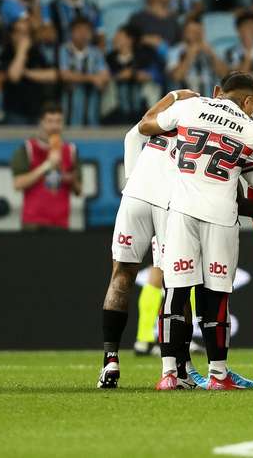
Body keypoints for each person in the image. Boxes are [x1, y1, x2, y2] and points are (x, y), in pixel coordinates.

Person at [138, 73, 253, 390]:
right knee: (216, 296)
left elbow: (147, 126)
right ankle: (218, 374)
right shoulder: (252, 131)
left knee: (175, 290)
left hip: (181, 211)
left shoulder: (191, 107)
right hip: (220, 218)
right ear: (249, 101)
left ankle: (169, 374)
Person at [98, 88, 197, 389]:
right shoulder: (199, 128)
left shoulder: (158, 125)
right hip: (168, 202)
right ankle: (179, 367)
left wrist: (133, 182)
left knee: (121, 275)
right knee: (177, 282)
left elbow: (132, 135)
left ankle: (110, 360)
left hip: (135, 196)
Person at [10, 103, 82, 230]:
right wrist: (46, 166)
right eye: (49, 121)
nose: (54, 126)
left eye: (58, 121)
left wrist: (64, 174)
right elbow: (18, 184)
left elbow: (78, 190)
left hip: (60, 223)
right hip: (33, 222)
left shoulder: (71, 150)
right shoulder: (27, 149)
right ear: (41, 123)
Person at [1, 18, 59, 125]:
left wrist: (25, 72)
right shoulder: (6, 53)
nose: (23, 37)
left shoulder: (35, 52)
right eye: (19, 32)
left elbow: (53, 75)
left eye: (26, 33)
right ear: (12, 35)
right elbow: (14, 76)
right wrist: (22, 50)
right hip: (15, 111)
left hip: (37, 109)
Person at [129, 0, 182, 87]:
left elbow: (179, 47)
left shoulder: (174, 21)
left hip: (169, 72)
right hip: (145, 71)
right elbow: (127, 42)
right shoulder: (139, 18)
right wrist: (146, 40)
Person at [58, 17, 110, 126]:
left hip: (92, 107)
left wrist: (77, 77)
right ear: (71, 33)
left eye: (87, 31)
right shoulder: (64, 50)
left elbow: (104, 76)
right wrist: (91, 78)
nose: (83, 34)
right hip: (69, 106)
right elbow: (65, 75)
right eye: (79, 30)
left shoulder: (96, 52)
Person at [167, 17, 228, 97]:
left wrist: (212, 55)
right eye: (192, 32)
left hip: (210, 101)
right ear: (184, 33)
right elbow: (176, 77)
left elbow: (225, 75)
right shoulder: (175, 51)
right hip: (185, 102)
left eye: (199, 32)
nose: (196, 35)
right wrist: (190, 55)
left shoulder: (211, 50)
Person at [106, 25, 153, 124]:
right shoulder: (110, 57)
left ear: (130, 40)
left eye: (120, 36)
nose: (115, 38)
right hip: (116, 97)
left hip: (139, 95)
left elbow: (151, 74)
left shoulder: (142, 56)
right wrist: (119, 76)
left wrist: (136, 75)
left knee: (135, 90)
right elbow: (107, 75)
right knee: (123, 88)